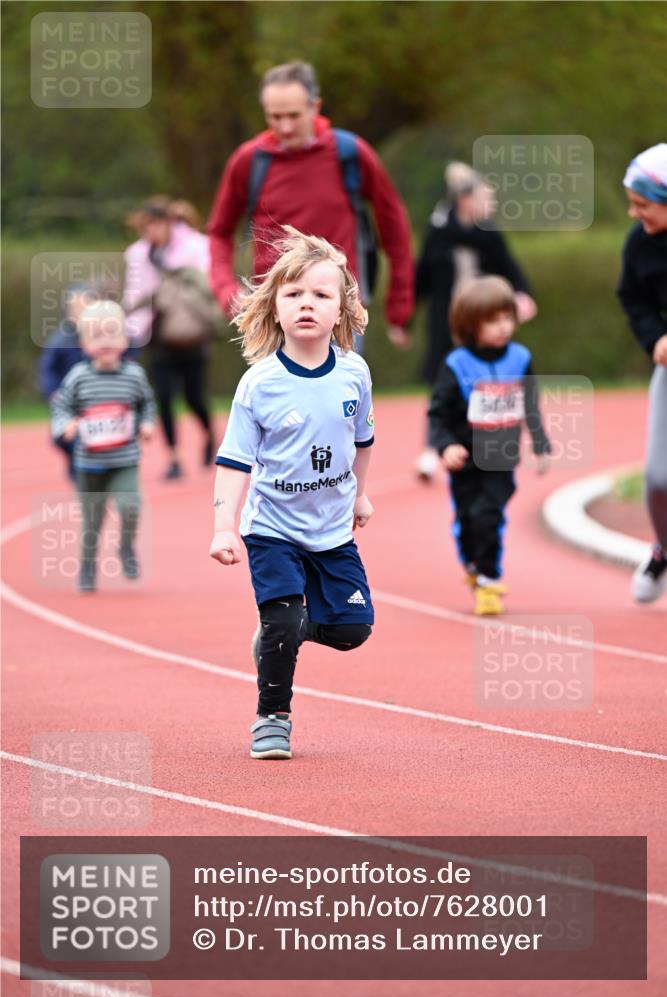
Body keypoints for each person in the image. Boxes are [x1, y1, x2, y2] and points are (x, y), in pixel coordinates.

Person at [209, 227, 375, 759]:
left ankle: (285, 633)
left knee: (353, 628)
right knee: (280, 618)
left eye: (321, 295)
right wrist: (223, 525)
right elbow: (234, 461)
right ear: (275, 306)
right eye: (294, 294)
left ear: (341, 310)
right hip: (273, 529)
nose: (308, 304)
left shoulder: (354, 373)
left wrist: (359, 496)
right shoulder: (259, 384)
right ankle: (271, 719)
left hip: (331, 531)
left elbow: (363, 442)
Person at [207, 60, 414, 349]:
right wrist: (226, 291)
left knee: (337, 394)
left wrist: (400, 306)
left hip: (339, 313)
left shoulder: (350, 154)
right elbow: (218, 232)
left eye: (294, 115)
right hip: (274, 314)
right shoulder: (248, 162)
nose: (285, 127)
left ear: (315, 106)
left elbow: (394, 227)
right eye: (274, 117)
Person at [428, 276, 550, 616]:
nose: (503, 327)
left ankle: (489, 580)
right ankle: (472, 562)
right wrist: (445, 447)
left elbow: (530, 404)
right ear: (470, 325)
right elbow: (438, 413)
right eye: (492, 321)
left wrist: (540, 444)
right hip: (465, 460)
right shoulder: (456, 365)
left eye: (507, 318)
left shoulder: (520, 358)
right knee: (468, 519)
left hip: (501, 456)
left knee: (489, 514)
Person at [415, 162, 538, 480]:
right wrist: (403, 316)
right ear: (465, 200)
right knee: (442, 381)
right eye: (485, 197)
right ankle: (435, 447)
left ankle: (484, 444)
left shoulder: (489, 233)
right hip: (446, 320)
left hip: (479, 322)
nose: (490, 204)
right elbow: (422, 275)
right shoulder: (439, 231)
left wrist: (523, 294)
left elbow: (509, 267)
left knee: (481, 380)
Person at [51, 301, 156, 592]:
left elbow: (146, 403)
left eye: (112, 333)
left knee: (131, 506)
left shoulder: (134, 375)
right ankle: (87, 566)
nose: (106, 341)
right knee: (92, 522)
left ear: (125, 338)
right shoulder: (78, 377)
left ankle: (125, 547)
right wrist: (65, 426)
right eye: (96, 335)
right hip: (89, 463)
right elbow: (61, 408)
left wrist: (147, 424)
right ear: (84, 344)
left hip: (124, 459)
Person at [123, 197, 217, 480]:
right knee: (162, 397)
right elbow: (134, 294)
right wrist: (130, 331)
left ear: (168, 223)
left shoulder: (194, 247)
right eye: (147, 226)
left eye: (156, 225)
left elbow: (206, 282)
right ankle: (174, 456)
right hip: (158, 335)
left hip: (191, 334)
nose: (151, 232)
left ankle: (209, 432)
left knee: (194, 398)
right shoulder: (138, 254)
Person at [617, 143, 667, 604]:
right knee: (659, 478)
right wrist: (656, 340)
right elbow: (633, 299)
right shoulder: (640, 245)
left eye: (643, 205)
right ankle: (663, 548)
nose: (635, 214)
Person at [38, 284, 94, 481]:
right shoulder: (59, 341)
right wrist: (52, 392)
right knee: (61, 437)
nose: (78, 312)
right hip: (68, 401)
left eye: (83, 307)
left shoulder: (101, 337)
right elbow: (47, 370)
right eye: (73, 308)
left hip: (96, 400)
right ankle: (75, 464)